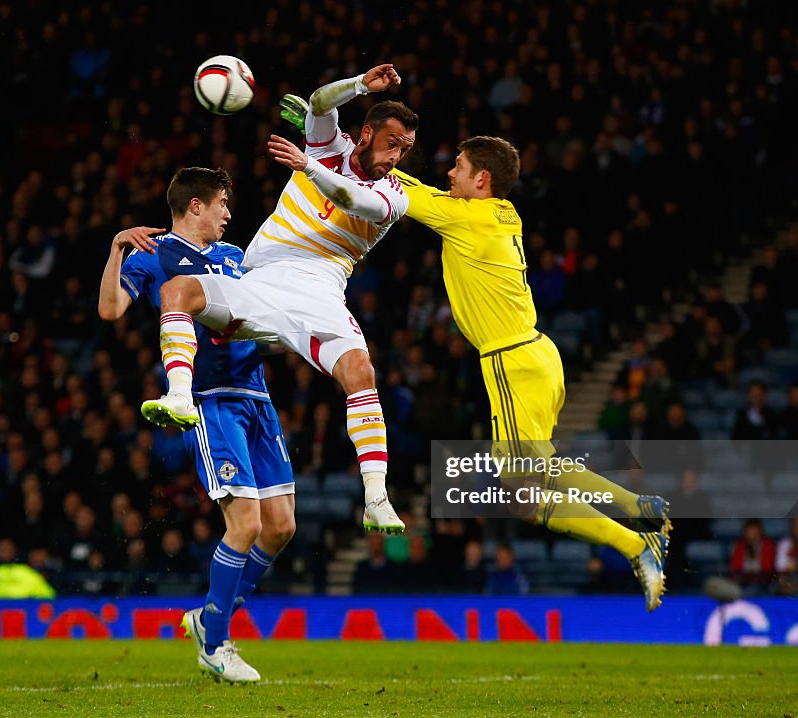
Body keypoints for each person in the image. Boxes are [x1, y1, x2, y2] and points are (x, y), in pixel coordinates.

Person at [390, 136, 671, 611]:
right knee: (533, 472)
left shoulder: (465, 216)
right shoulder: (503, 212)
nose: (449, 174)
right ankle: (637, 508)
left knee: (522, 493)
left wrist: (333, 158)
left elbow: (395, 195)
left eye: (457, 167)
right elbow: (414, 187)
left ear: (482, 179)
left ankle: (634, 543)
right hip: (538, 353)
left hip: (510, 362)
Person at [142, 65, 418, 535]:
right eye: (392, 144)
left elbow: (356, 202)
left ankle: (375, 497)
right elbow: (318, 103)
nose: (397, 157)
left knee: (360, 371)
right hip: (261, 279)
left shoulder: (394, 195)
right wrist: (357, 85)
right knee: (177, 292)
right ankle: (180, 397)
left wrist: (307, 165)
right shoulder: (332, 146)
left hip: (320, 291)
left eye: (406, 150)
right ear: (366, 133)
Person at [97, 167, 296, 683]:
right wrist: (117, 247)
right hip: (209, 401)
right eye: (222, 205)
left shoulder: (236, 259)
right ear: (195, 207)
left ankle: (208, 618)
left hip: (257, 396)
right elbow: (111, 309)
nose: (229, 213)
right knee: (246, 523)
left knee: (281, 527)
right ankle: (218, 640)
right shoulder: (153, 255)